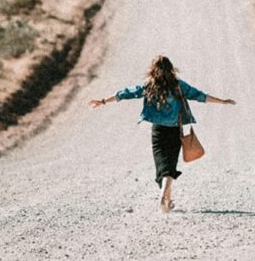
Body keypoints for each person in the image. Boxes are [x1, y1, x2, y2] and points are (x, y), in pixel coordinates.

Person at [89, 54, 236, 212]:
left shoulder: (149, 86)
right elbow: (200, 96)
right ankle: (165, 200)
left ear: (153, 70)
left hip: (157, 131)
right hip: (174, 130)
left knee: (162, 166)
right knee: (169, 166)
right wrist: (222, 101)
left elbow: (125, 93)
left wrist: (103, 101)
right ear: (171, 69)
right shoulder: (178, 86)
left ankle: (164, 199)